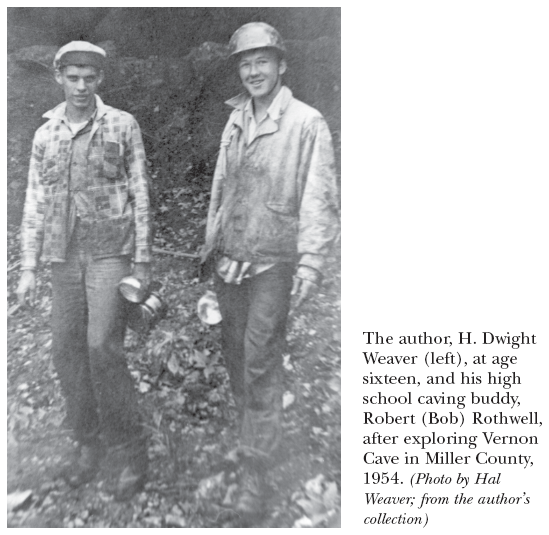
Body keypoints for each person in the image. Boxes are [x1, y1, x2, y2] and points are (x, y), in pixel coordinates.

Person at [201, 22, 340, 521]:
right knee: (238, 359)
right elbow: (221, 186)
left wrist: (311, 261)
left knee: (260, 360)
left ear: (281, 65)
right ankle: (253, 444)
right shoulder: (235, 120)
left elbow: (319, 195)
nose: (253, 70)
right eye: (245, 62)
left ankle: (256, 475)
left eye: (262, 61)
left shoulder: (306, 122)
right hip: (232, 260)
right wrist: (210, 245)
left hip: (275, 263)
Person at [16, 41, 152, 501]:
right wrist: (28, 265)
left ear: (100, 80)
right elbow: (34, 200)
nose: (80, 86)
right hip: (62, 257)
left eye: (89, 77)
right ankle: (88, 444)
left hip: (110, 253)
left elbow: (141, 194)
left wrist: (144, 260)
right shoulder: (45, 134)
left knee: (102, 348)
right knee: (66, 350)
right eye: (72, 77)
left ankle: (130, 451)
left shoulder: (121, 125)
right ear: (58, 77)